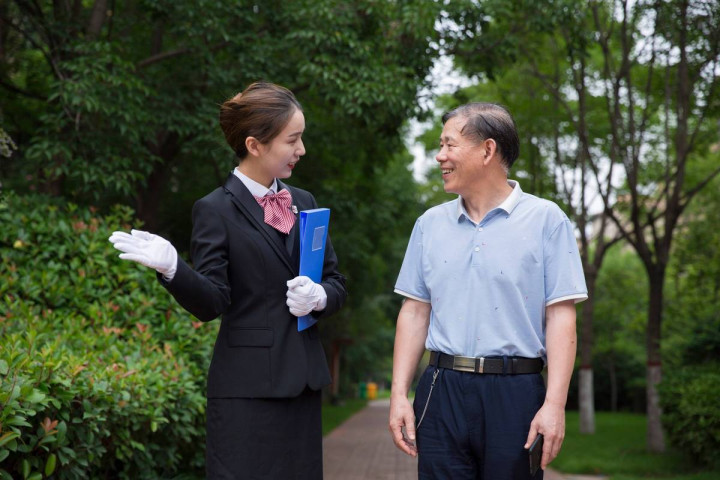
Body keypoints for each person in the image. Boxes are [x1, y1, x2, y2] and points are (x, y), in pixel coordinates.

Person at [109, 81, 347, 479]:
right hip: (246, 391)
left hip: (304, 384)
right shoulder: (214, 209)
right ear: (255, 145)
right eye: (293, 140)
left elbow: (336, 280)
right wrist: (174, 269)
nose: (302, 150)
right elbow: (212, 302)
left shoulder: (304, 202)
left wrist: (320, 296)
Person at [388, 102, 587, 479]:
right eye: (440, 145)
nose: (440, 155)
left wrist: (555, 404)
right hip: (441, 389)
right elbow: (414, 312)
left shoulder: (547, 220)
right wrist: (399, 394)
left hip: (516, 393)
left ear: (487, 150)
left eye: (449, 144)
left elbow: (561, 317)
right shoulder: (429, 224)